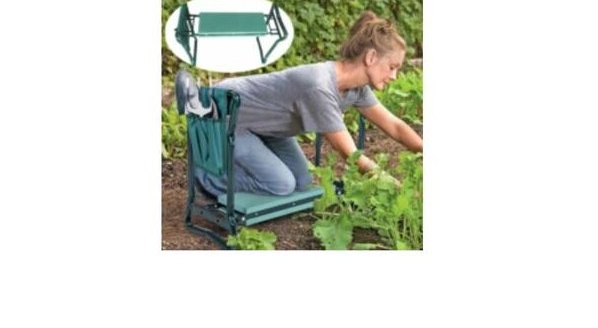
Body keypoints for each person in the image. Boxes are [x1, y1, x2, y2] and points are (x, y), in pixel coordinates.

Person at [176, 10, 423, 197]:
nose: (394, 76)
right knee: (281, 184)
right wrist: (396, 187)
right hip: (228, 114)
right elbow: (350, 154)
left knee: (302, 183)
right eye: (392, 67)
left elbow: (395, 126)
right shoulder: (319, 86)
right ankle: (208, 177)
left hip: (264, 126)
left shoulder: (356, 89)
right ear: (371, 57)